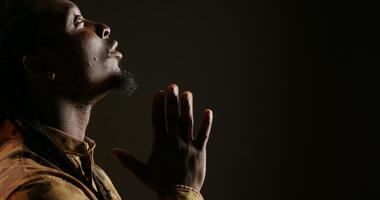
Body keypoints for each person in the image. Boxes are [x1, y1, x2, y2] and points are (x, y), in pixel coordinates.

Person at [0, 0, 213, 199]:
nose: (103, 28)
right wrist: (182, 190)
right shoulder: (41, 188)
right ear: (39, 66)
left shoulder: (75, 168)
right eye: (78, 22)